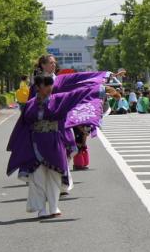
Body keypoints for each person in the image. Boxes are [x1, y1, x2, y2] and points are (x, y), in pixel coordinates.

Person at [6, 75, 104, 219]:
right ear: (38, 87)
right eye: (46, 85)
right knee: (37, 177)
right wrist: (19, 145)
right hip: (35, 143)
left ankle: (53, 206)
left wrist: (98, 89)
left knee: (55, 176)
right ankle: (41, 209)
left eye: (51, 85)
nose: (50, 88)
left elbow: (75, 94)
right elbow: (23, 126)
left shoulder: (58, 99)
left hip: (54, 141)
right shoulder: (30, 104)